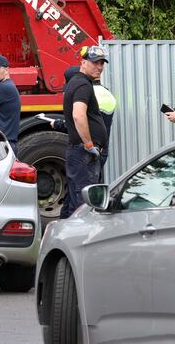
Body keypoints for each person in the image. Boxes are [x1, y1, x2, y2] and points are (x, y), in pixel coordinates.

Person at [60, 46, 109, 219]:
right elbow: (78, 115)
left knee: (73, 199)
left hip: (78, 152)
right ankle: (79, 241)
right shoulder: (83, 85)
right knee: (84, 204)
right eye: (95, 62)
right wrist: (89, 144)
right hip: (83, 152)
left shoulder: (77, 82)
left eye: (102, 63)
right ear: (83, 62)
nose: (100, 67)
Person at [52, 65, 117, 182]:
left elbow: (81, 123)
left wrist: (57, 124)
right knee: (94, 183)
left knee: (82, 188)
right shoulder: (107, 93)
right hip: (102, 149)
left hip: (88, 149)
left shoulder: (85, 92)